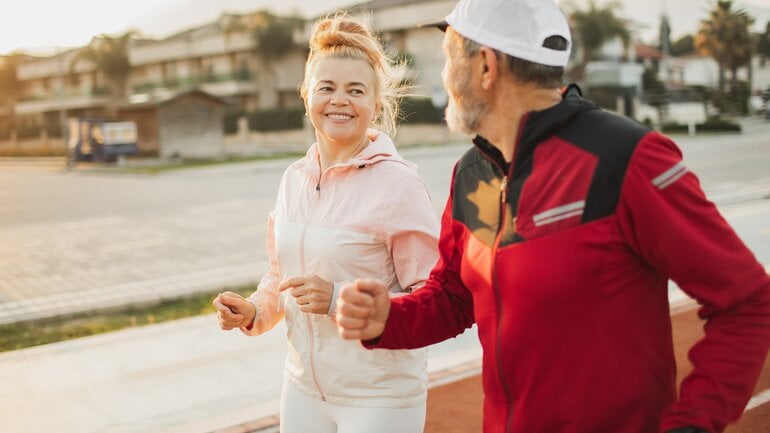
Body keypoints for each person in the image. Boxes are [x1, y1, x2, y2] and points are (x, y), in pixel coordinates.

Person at [335, 1, 770, 432]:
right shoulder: (472, 174)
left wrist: (692, 425)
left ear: (486, 67)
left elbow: (748, 302)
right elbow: (453, 297)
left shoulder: (624, 159)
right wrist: (390, 319)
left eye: (451, 58)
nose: (445, 76)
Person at [213, 15, 439, 433]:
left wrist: (338, 298)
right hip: (301, 389)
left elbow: (432, 299)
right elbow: (281, 276)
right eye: (327, 87)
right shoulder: (293, 178)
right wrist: (253, 310)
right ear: (306, 96)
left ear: (375, 103)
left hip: (380, 396)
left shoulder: (399, 184)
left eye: (356, 90)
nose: (340, 100)